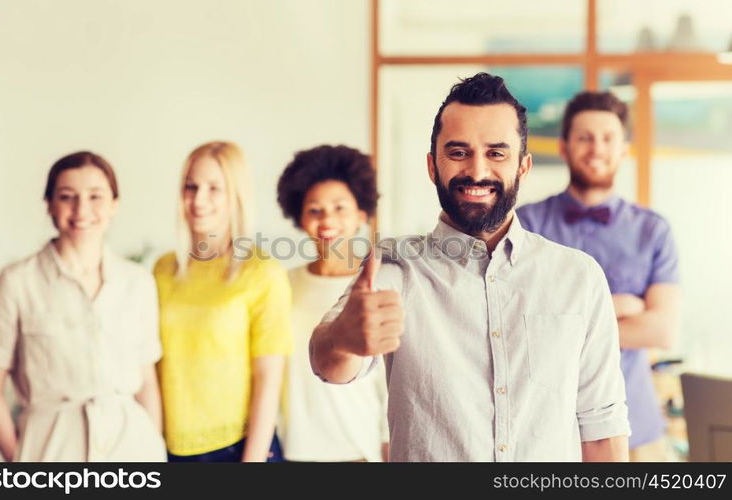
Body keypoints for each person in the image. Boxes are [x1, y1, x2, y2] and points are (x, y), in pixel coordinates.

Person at [309, 73, 631, 462]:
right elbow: (328, 364)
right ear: (433, 166)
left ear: (523, 167)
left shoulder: (579, 277)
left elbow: (600, 429)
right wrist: (344, 337)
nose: (477, 171)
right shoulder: (393, 268)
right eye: (458, 152)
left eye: (496, 153)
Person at [517, 91, 681, 461]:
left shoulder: (653, 230)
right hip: (545, 430)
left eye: (608, 138)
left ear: (624, 148)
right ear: (563, 147)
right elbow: (520, 326)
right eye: (584, 137)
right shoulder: (525, 225)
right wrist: (620, 307)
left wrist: (564, 324)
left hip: (637, 428)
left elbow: (662, 330)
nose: (596, 148)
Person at [0, 151, 166, 462]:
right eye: (67, 197)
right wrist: (19, 459)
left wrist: (154, 450)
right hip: (50, 447)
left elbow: (147, 382)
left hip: (131, 448)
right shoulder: (17, 282)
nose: (81, 210)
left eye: (95, 197)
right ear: (49, 203)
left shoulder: (138, 282)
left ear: (114, 204)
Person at [154, 141, 292, 462]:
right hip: (171, 448)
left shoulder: (262, 273)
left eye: (214, 188)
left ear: (236, 195)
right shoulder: (163, 269)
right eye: (191, 187)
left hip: (240, 448)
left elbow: (268, 380)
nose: (199, 200)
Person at [276, 145, 389, 462]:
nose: (327, 220)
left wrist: (387, 444)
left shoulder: (376, 283)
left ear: (361, 215)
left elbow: (391, 380)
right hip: (292, 452)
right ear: (300, 217)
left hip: (359, 451)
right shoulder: (281, 284)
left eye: (340, 208)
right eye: (315, 210)